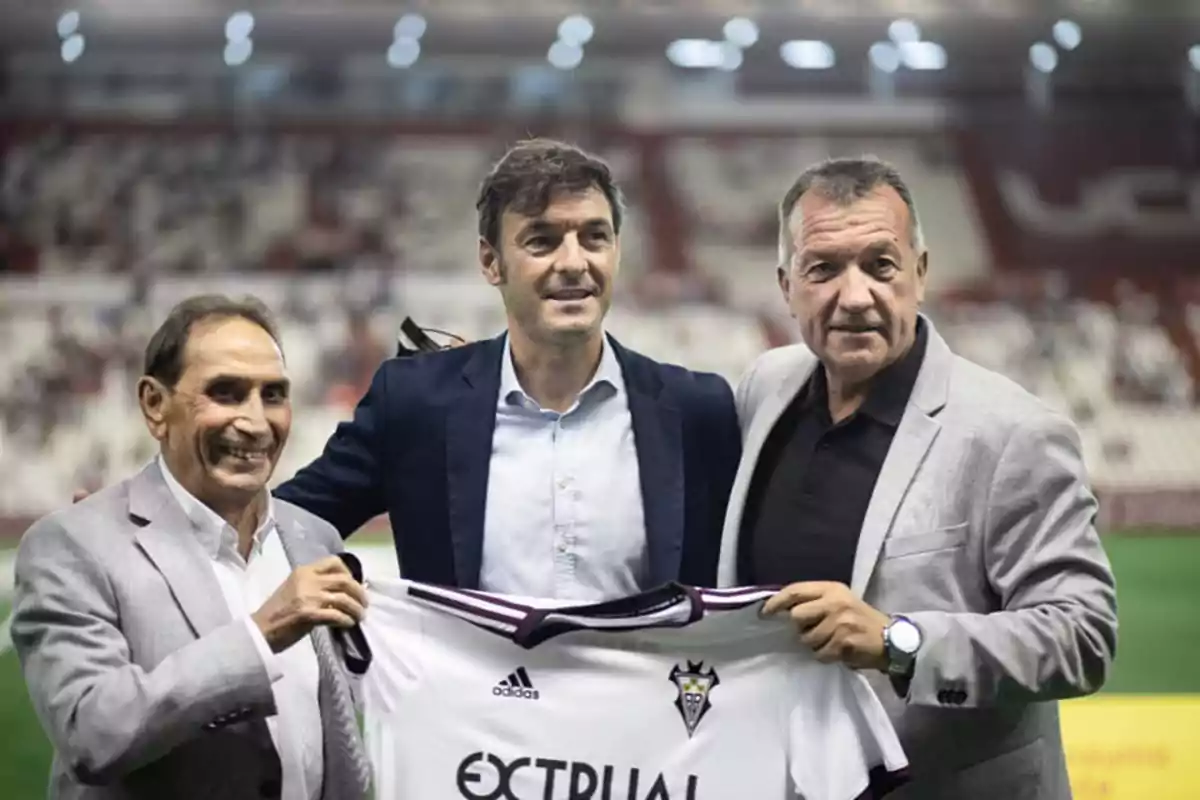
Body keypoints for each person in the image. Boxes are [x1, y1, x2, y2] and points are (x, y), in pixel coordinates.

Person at [716, 157, 1118, 799]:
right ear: (787, 284)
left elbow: (1082, 635)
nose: (854, 296)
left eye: (880, 265)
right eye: (823, 269)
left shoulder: (1012, 432)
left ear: (920, 274)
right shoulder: (766, 388)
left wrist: (898, 640)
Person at [274, 138, 741, 598]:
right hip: (463, 677)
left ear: (616, 252)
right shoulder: (415, 403)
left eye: (594, 237)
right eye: (542, 241)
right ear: (490, 262)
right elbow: (288, 524)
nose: (574, 262)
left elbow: (758, 559)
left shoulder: (698, 410)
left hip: (654, 677)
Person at [13, 295, 372, 800]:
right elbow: (91, 734)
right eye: (225, 393)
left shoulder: (314, 539)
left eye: (273, 395)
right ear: (155, 405)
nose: (255, 421)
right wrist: (261, 634)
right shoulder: (73, 546)